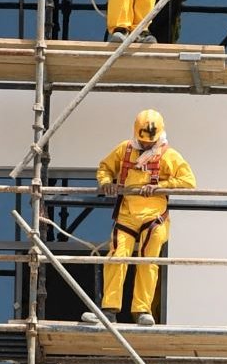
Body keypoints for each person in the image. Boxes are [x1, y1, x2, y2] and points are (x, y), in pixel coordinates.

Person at [83, 108, 196, 327]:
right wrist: (106, 183)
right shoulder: (124, 150)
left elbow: (188, 181)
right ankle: (109, 309)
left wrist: (159, 186)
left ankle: (142, 310)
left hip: (154, 217)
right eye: (143, 141)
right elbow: (105, 168)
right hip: (127, 216)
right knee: (117, 257)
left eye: (149, 142)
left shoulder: (168, 155)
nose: (145, 145)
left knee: (147, 259)